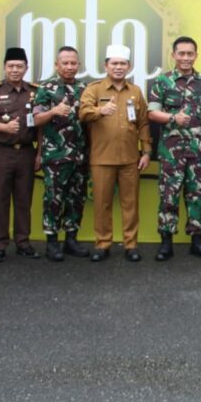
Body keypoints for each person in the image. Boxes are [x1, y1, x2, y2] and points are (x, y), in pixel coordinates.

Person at [79, 44, 153, 262]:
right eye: (114, 63)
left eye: (122, 64)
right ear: (106, 66)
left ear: (129, 66)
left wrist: (146, 151)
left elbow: (143, 123)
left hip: (130, 159)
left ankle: (131, 245)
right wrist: (100, 110)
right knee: (102, 204)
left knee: (131, 204)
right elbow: (83, 113)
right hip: (102, 158)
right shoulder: (94, 90)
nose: (118, 67)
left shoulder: (135, 91)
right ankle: (103, 244)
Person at [147, 36, 201, 261]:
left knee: (197, 195)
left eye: (190, 54)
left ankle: (197, 241)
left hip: (197, 149)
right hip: (171, 150)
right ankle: (166, 243)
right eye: (181, 53)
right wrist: (173, 118)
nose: (186, 58)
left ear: (196, 55)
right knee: (169, 195)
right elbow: (152, 113)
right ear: (173, 55)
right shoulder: (162, 81)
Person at [0, 47, 39, 262]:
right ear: (4, 67)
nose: (15, 70)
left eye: (19, 66)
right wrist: (4, 128)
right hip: (0, 153)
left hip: (26, 152)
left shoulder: (35, 91)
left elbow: (41, 126)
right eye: (11, 66)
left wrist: (39, 153)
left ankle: (23, 242)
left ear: (26, 68)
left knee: (24, 200)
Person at [33, 46, 89, 261]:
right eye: (65, 63)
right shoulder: (46, 88)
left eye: (73, 63)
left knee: (77, 198)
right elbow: (36, 120)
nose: (69, 67)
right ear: (57, 65)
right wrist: (54, 111)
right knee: (54, 199)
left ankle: (71, 240)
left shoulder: (84, 89)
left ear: (79, 65)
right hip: (55, 156)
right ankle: (52, 242)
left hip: (79, 156)